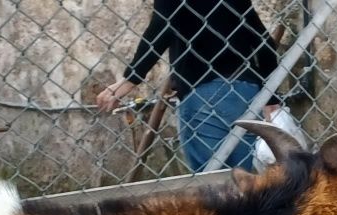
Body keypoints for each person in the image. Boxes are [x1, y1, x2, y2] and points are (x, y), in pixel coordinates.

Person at [96, 0, 279, 172]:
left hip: (204, 91)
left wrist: (130, 79)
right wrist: (270, 97)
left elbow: (162, 26)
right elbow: (264, 43)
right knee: (241, 183)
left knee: (210, 186)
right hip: (245, 92)